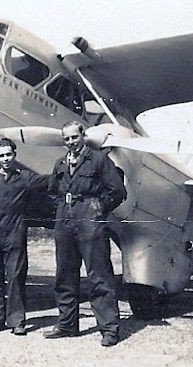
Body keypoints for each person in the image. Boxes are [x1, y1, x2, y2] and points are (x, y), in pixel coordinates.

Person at [44, 121, 127, 346]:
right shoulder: (60, 163)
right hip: (65, 219)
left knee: (99, 274)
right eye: (67, 139)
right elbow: (52, 191)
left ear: (83, 136)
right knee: (65, 273)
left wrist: (98, 208)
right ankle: (67, 324)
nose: (71, 142)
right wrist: (62, 208)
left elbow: (118, 191)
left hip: (90, 219)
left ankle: (109, 329)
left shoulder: (99, 160)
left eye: (74, 137)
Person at [0, 138, 48, 336]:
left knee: (16, 276)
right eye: (2, 155)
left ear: (14, 155)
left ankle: (17, 321)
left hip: (14, 233)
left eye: (9, 154)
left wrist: (65, 168)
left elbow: (48, 181)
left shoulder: (24, 178)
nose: (6, 158)